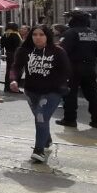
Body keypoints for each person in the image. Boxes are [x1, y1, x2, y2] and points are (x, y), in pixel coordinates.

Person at [9, 25, 72, 163]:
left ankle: (39, 151)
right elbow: (16, 67)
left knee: (41, 117)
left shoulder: (57, 51)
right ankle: (47, 141)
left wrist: (60, 84)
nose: (38, 37)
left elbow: (66, 70)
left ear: (47, 36)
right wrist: (14, 80)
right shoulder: (24, 50)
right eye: (35, 34)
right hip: (32, 91)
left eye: (41, 34)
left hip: (52, 92)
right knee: (40, 118)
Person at [56, 9, 97, 130]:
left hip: (73, 68)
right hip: (90, 68)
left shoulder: (70, 33)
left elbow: (61, 51)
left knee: (70, 94)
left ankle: (70, 119)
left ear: (74, 20)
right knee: (92, 94)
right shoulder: (94, 34)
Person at [1, 22, 23, 93]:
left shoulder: (5, 35)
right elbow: (18, 46)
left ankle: (7, 87)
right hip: (15, 55)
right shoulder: (16, 35)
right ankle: (14, 88)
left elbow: (2, 46)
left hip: (8, 54)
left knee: (8, 71)